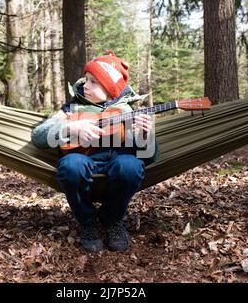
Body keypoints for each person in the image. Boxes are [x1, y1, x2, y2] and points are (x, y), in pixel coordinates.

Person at [31, 51, 159, 252]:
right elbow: (38, 136)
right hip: (83, 162)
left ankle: (112, 220)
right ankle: (88, 222)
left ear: (109, 89)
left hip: (118, 165)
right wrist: (69, 128)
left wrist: (146, 136)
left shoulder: (129, 113)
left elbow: (149, 158)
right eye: (86, 80)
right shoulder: (71, 109)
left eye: (93, 82)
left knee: (131, 166)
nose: (84, 85)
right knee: (71, 165)